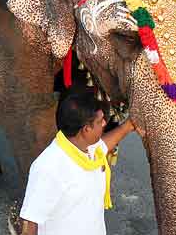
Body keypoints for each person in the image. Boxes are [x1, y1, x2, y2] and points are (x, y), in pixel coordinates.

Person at [19, 92, 138, 235]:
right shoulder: (48, 167)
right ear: (86, 129)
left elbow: (105, 144)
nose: (105, 123)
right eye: (100, 121)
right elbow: (30, 221)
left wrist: (130, 125)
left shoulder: (88, 148)